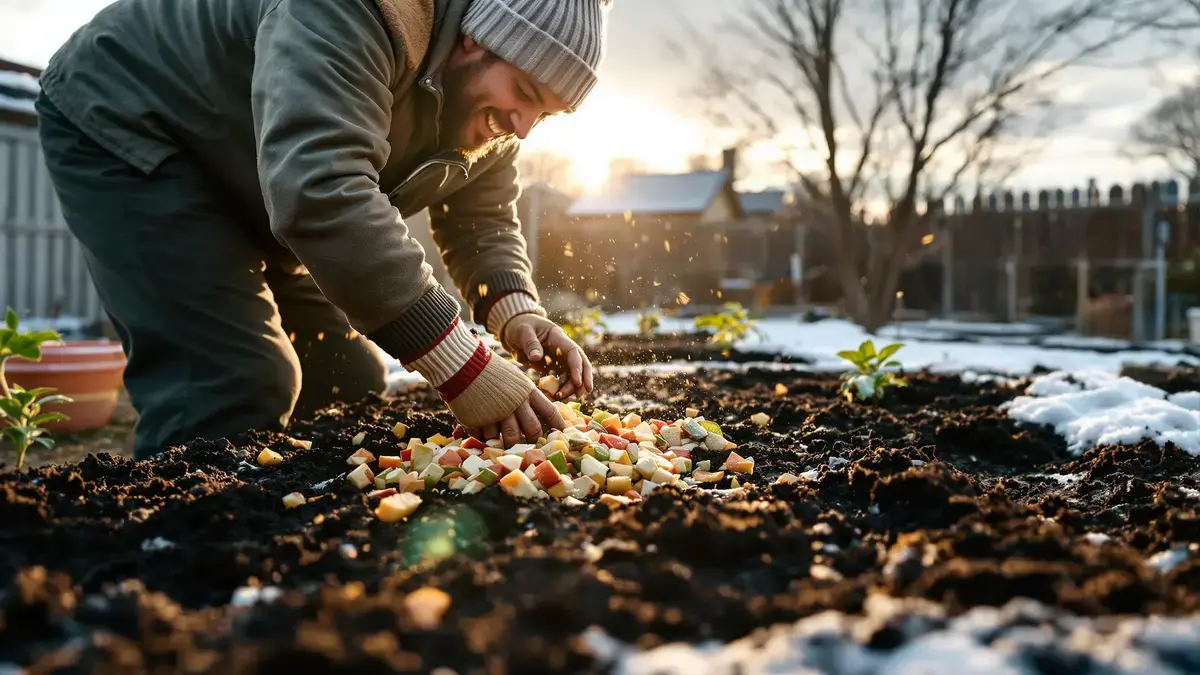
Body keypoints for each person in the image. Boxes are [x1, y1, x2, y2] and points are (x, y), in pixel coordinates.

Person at [34, 0, 608, 460]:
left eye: (547, 113)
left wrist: (516, 310)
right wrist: (461, 363)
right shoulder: (359, 13)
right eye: (526, 95)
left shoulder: (488, 111)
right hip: (137, 117)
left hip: (250, 169)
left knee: (344, 377)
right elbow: (319, 189)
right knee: (230, 383)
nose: (524, 128)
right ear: (476, 39)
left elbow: (481, 217)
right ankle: (177, 571)